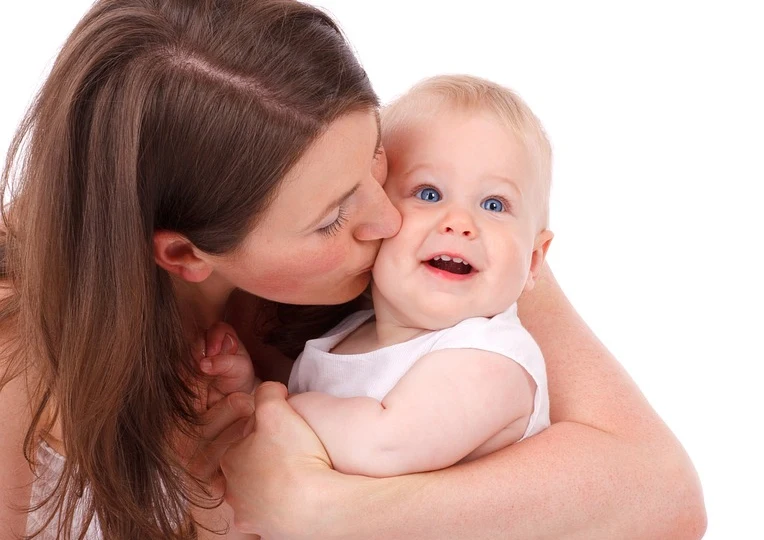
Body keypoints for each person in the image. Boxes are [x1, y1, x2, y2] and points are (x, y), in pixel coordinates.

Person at [0, 1, 706, 539]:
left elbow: (664, 494)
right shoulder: (21, 351)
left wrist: (329, 508)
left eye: (376, 153)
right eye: (332, 217)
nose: (390, 216)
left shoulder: (445, 227)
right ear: (184, 254)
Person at [210, 74, 555, 478]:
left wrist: (267, 405)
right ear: (375, 216)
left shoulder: (490, 359)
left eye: (494, 204)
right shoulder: (347, 336)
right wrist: (245, 392)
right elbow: (306, 449)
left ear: (532, 262)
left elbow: (379, 445)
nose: (460, 223)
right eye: (429, 194)